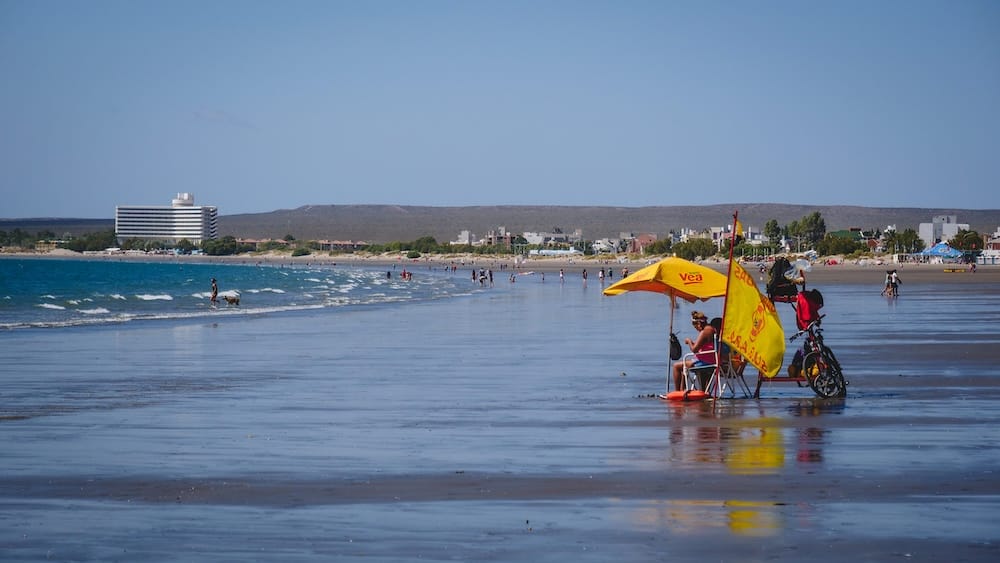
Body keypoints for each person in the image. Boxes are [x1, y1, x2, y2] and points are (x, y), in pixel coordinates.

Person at [671, 311, 717, 391]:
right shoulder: (712, 329)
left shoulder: (705, 332)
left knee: (676, 366)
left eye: (695, 327)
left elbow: (694, 349)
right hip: (713, 360)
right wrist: (693, 343)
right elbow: (705, 345)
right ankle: (698, 391)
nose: (697, 330)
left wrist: (689, 341)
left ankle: (677, 391)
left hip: (704, 362)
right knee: (685, 365)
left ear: (698, 324)